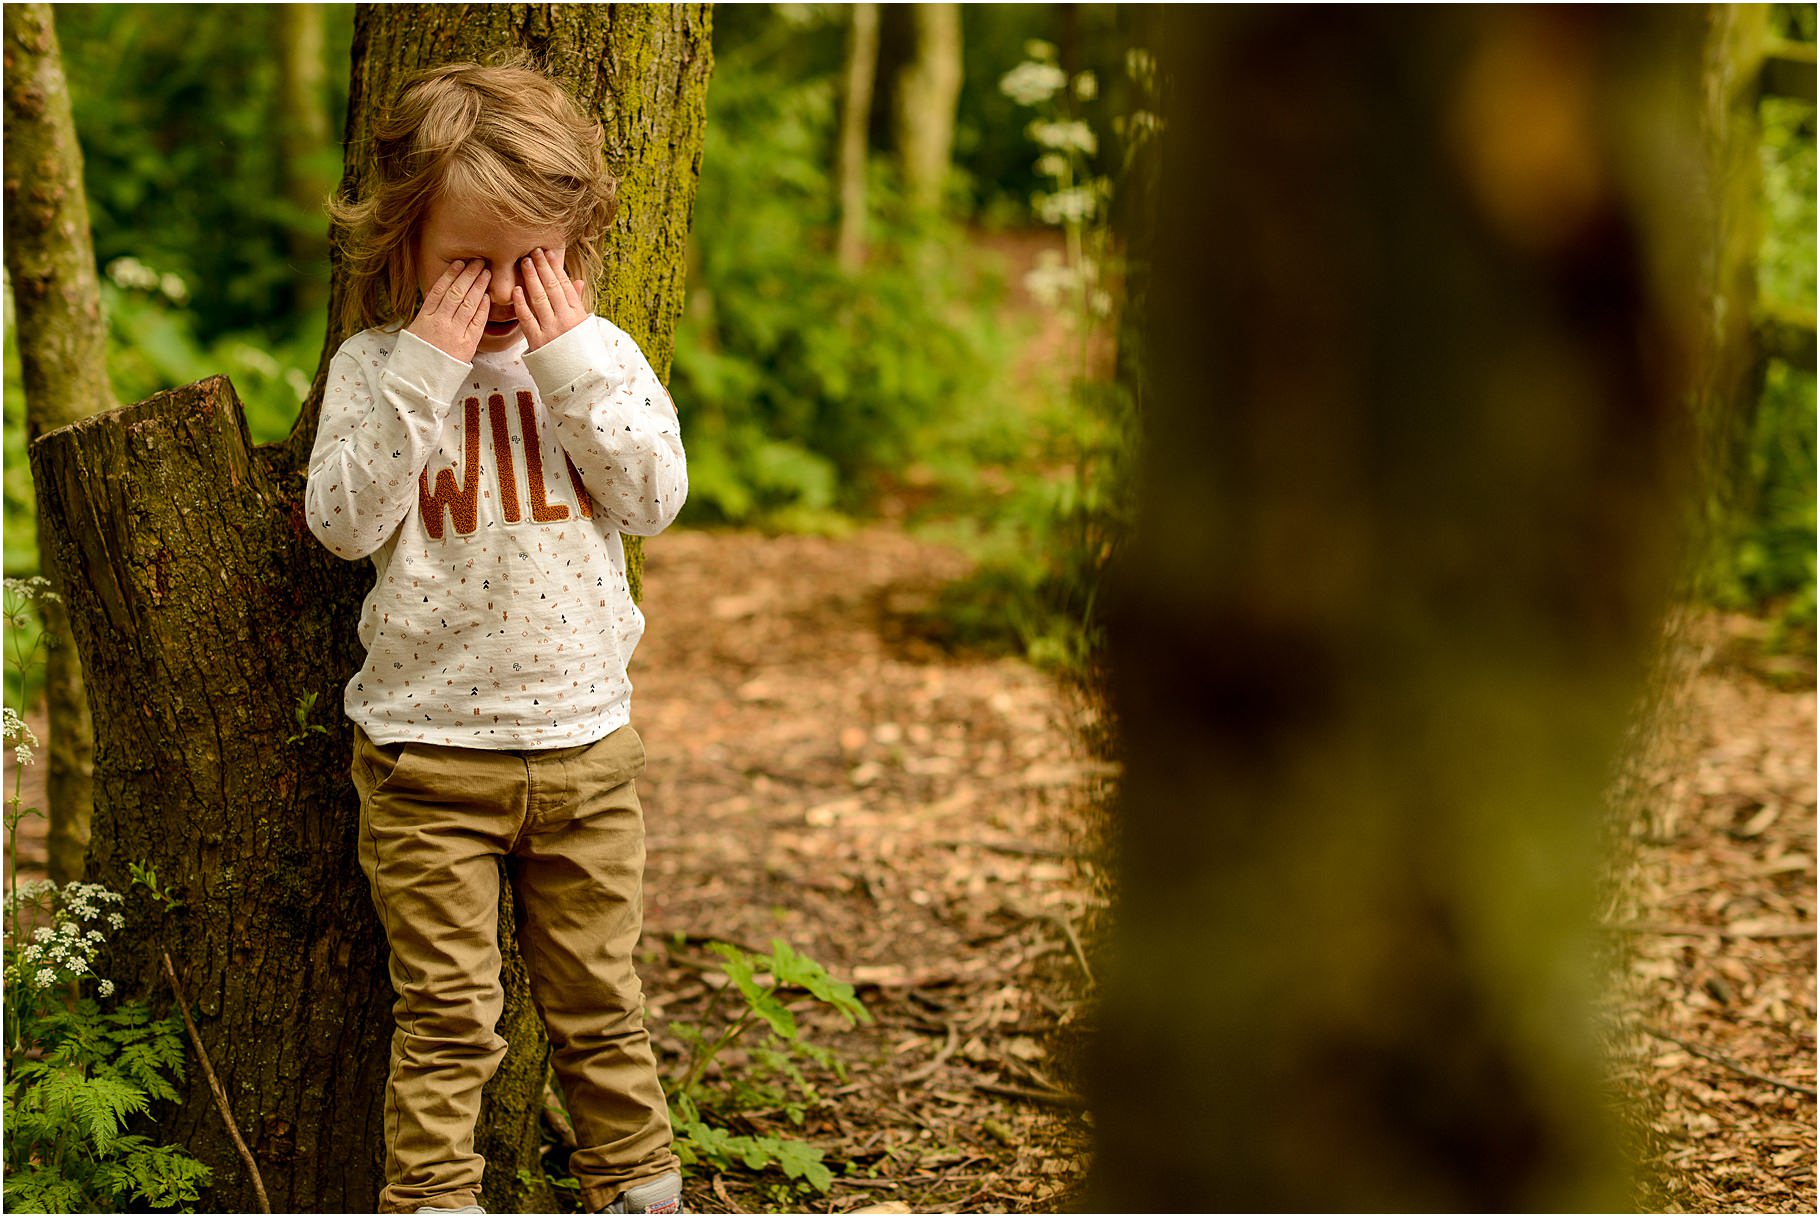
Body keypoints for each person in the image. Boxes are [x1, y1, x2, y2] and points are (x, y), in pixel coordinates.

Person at [305, 57, 686, 1216]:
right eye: (470, 260)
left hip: (585, 753)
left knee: (599, 1000)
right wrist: (426, 365)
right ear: (403, 247)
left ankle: (637, 1185)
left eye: (536, 259)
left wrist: (568, 360)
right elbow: (340, 521)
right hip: (427, 764)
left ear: (578, 246)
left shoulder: (601, 358)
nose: (506, 289)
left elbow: (652, 493)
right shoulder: (374, 370)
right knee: (447, 1015)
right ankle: (429, 1197)